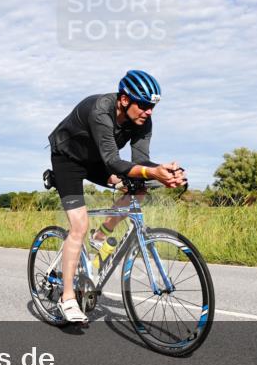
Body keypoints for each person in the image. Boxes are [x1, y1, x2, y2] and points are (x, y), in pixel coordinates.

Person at [47, 70, 187, 323]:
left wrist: (165, 174)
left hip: (98, 160)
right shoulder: (101, 109)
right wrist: (153, 172)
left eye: (153, 106)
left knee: (139, 187)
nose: (149, 111)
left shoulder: (143, 121)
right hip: (68, 159)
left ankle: (100, 236)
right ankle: (67, 297)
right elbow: (113, 161)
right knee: (78, 225)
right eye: (144, 105)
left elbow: (140, 161)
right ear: (124, 100)